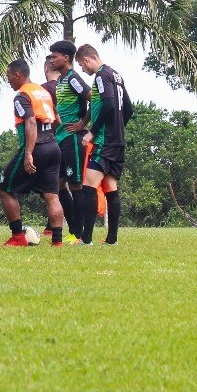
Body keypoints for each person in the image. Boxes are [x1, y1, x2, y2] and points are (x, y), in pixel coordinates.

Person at [0, 60, 64, 247]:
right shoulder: (43, 92)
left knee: (5, 188)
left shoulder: (22, 96)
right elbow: (56, 120)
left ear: (18, 74)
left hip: (36, 147)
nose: (8, 81)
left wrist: (29, 153)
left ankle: (18, 237)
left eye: (9, 77)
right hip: (53, 147)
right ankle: (57, 241)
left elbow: (31, 122)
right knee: (52, 195)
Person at [74, 44, 129, 245]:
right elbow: (128, 108)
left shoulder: (101, 76)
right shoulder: (117, 76)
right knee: (110, 186)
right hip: (117, 141)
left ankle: (86, 239)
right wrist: (118, 128)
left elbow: (109, 104)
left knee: (88, 186)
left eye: (81, 65)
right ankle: (112, 239)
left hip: (105, 142)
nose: (82, 69)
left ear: (87, 59)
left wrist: (93, 132)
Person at [47, 41, 90, 243]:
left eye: (54, 56)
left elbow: (93, 96)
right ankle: (73, 229)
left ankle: (78, 234)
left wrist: (83, 123)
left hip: (73, 138)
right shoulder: (62, 80)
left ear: (65, 58)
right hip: (61, 138)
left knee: (76, 185)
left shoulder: (73, 78)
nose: (52, 60)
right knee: (58, 184)